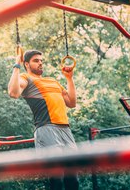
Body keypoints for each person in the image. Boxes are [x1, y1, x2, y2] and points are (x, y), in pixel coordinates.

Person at [7, 49, 79, 190]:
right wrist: (17, 65)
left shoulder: (52, 81)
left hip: (65, 130)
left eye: (41, 60)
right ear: (26, 64)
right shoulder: (25, 78)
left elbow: (71, 102)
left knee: (73, 179)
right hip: (47, 129)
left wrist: (69, 78)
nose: (40, 63)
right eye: (36, 61)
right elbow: (13, 92)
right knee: (56, 178)